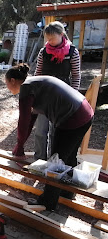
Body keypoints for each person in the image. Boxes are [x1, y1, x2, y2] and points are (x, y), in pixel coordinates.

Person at [5, 64, 93, 210]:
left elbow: (23, 121)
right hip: (85, 113)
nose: (7, 88)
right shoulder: (34, 84)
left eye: (7, 84)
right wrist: (20, 145)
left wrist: (20, 147)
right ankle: (67, 192)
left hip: (72, 118)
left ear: (13, 80)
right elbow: (30, 121)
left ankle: (47, 202)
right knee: (68, 157)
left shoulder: (27, 88)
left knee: (56, 162)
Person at [33, 21, 81, 160]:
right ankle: (39, 160)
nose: (50, 42)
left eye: (52, 38)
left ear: (61, 34)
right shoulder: (43, 52)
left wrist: (74, 95)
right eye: (47, 39)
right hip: (44, 95)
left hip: (63, 97)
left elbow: (76, 75)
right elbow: (38, 73)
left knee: (57, 132)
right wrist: (35, 93)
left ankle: (55, 161)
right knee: (41, 131)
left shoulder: (72, 52)